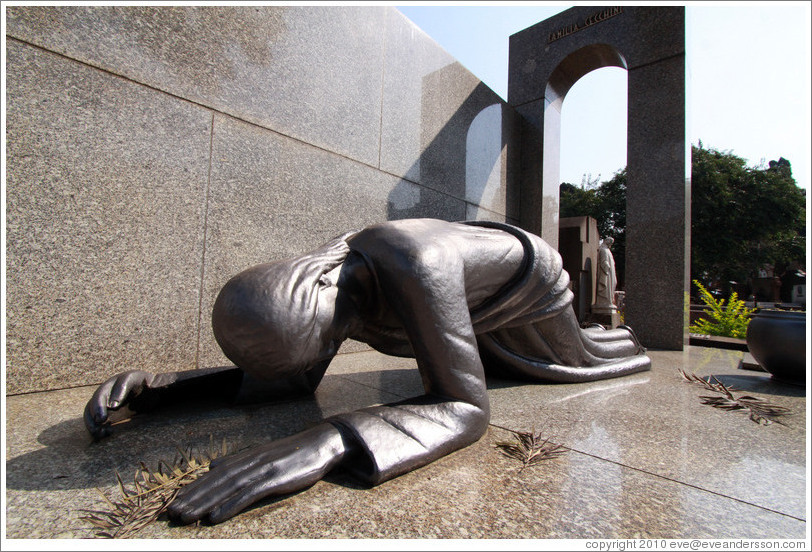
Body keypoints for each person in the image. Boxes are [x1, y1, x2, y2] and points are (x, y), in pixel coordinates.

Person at [84, 219, 650, 525]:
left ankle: (632, 340)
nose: (330, 349)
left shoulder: (413, 265)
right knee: (504, 359)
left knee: (583, 362)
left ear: (329, 303)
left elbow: (467, 407)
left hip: (527, 281)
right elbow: (293, 380)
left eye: (329, 340)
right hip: (466, 284)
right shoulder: (320, 287)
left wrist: (330, 440)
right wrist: (164, 393)